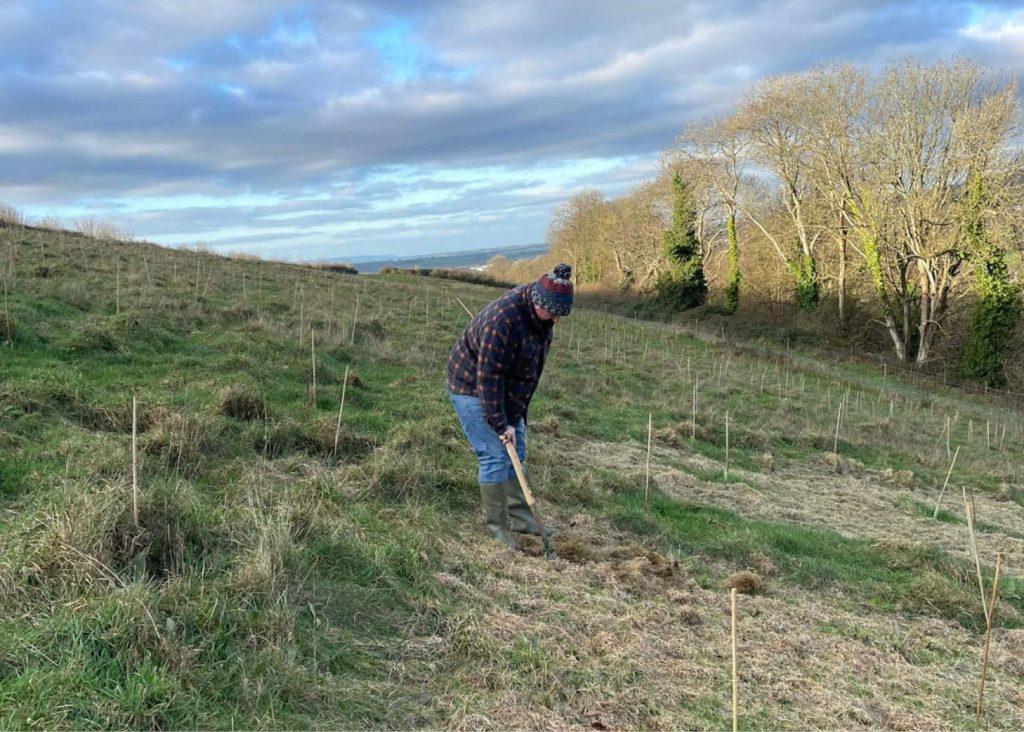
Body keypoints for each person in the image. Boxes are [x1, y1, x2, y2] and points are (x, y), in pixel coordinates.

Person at [446, 263, 573, 548]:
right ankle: (497, 530)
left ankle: (522, 519)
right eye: (552, 313)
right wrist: (501, 424)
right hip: (471, 387)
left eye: (559, 315)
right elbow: (488, 378)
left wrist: (517, 417)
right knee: (494, 455)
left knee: (518, 451)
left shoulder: (541, 319)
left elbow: (527, 369)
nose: (556, 320)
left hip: (507, 389)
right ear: (538, 302)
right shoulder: (503, 321)